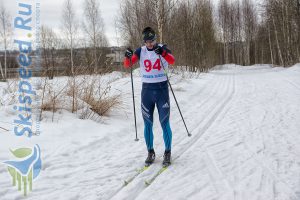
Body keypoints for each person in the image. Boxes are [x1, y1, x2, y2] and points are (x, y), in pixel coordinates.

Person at [123, 27, 175, 167]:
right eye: (147, 41)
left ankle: (167, 152)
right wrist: (127, 56)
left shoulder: (163, 48)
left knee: (164, 123)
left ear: (155, 39)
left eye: (152, 41)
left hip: (161, 91)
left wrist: (163, 53)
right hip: (147, 92)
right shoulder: (141, 51)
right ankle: (150, 152)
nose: (150, 44)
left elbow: (172, 61)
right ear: (144, 41)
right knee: (147, 124)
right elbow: (128, 64)